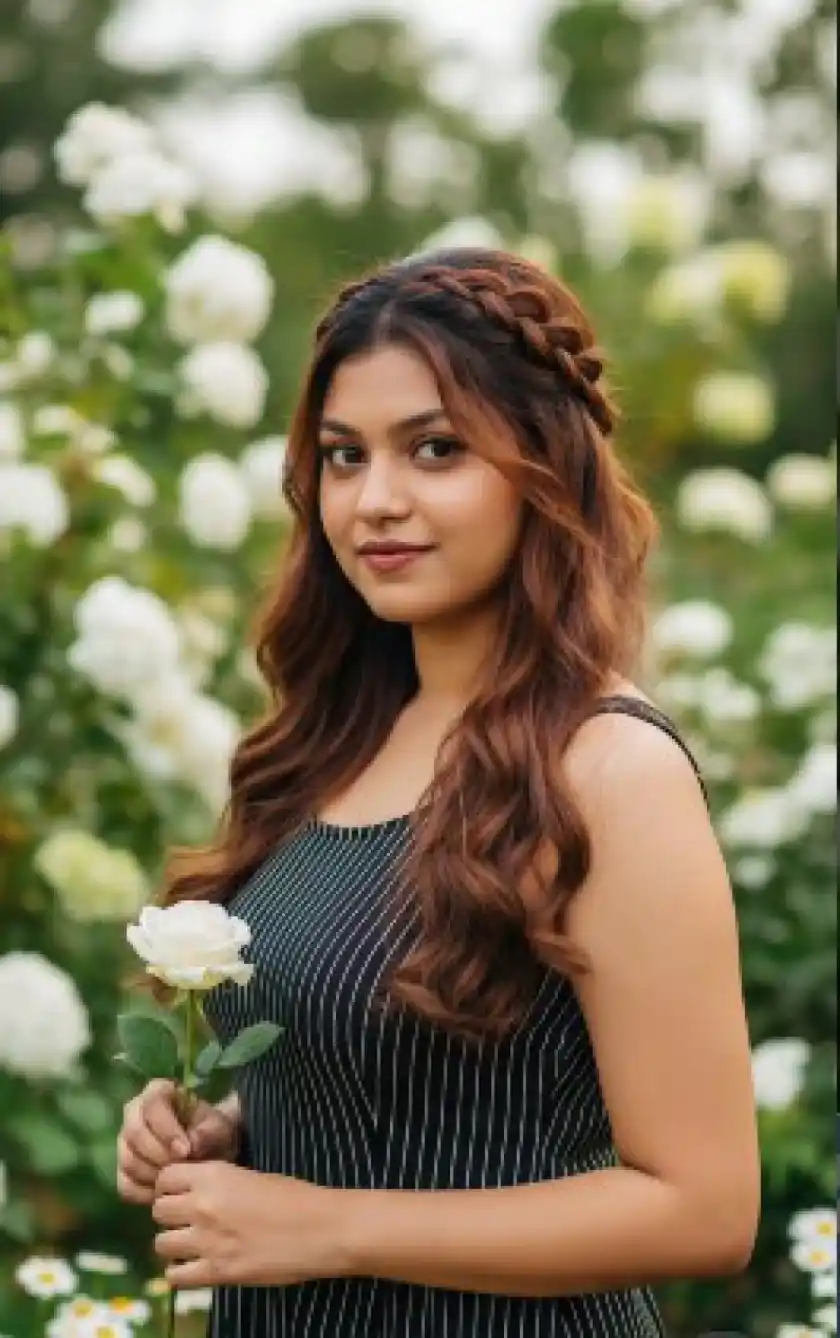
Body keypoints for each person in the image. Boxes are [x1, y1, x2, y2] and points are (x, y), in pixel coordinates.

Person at [116, 248, 761, 1336]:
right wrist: (232, 1123)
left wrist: (331, 1225)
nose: (377, 501)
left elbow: (703, 1209)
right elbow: (402, 1074)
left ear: (542, 467)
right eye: (342, 455)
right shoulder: (331, 742)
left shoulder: (609, 769)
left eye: (436, 449)